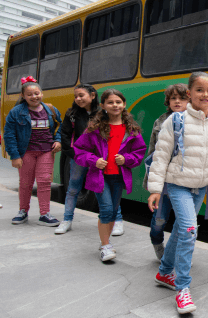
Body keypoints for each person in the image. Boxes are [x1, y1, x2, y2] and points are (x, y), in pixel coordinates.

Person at [147, 72, 208, 315]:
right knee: (188, 230)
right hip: (177, 184)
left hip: (201, 186)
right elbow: (161, 155)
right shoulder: (175, 121)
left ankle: (164, 272)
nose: (205, 95)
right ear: (189, 93)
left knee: (181, 229)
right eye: (199, 90)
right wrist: (155, 189)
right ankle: (183, 289)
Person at [73, 89, 146, 262]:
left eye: (118, 102)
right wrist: (94, 160)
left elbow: (139, 153)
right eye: (111, 102)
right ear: (103, 105)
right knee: (106, 210)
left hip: (118, 177)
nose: (115, 105)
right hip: (100, 177)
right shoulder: (95, 128)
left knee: (113, 212)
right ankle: (106, 246)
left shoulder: (131, 129)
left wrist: (126, 159)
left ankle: (105, 242)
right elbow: (79, 150)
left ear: (124, 104)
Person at [55, 84, 124, 234]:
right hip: (80, 158)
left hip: (101, 159)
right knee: (73, 188)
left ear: (92, 95)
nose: (78, 99)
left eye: (81, 95)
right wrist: (74, 154)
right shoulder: (72, 114)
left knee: (110, 189)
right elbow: (65, 134)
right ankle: (67, 220)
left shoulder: (104, 113)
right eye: (76, 96)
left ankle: (117, 220)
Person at [4, 76, 62, 226]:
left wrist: (58, 140)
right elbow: (9, 135)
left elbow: (61, 127)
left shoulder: (50, 110)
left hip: (46, 151)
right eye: (29, 94)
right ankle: (23, 212)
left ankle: (45, 214)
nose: (34, 97)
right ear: (23, 96)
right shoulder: (16, 112)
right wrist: (15, 156)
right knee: (25, 183)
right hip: (26, 152)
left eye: (36, 93)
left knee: (44, 182)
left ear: (41, 94)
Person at [143, 83, 188, 260]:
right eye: (173, 98)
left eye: (182, 98)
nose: (177, 101)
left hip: (185, 181)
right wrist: (152, 180)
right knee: (159, 221)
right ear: (167, 101)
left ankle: (178, 254)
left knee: (185, 223)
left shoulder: (197, 120)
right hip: (164, 182)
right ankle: (157, 244)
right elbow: (152, 152)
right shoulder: (160, 121)